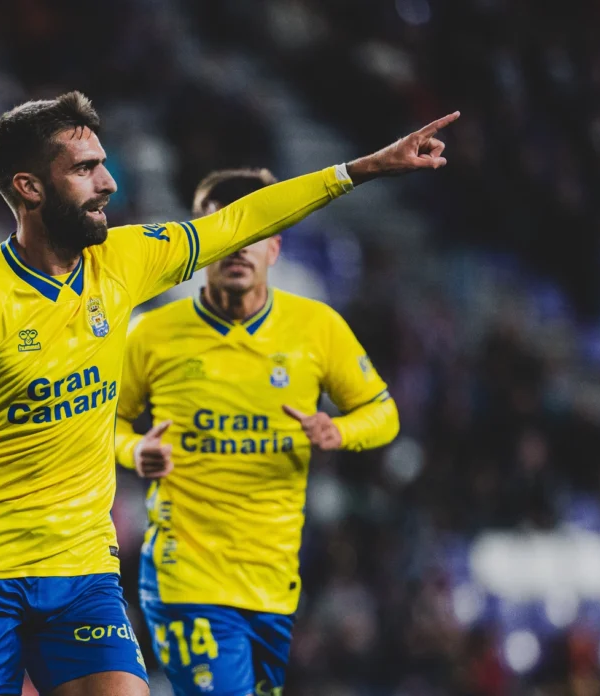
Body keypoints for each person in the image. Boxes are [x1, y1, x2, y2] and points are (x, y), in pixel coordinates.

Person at [0, 90, 456, 696]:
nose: (108, 183)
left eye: (104, 164)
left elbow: (237, 222)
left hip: (83, 568)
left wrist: (362, 169)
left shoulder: (123, 260)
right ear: (29, 188)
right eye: (85, 170)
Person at [115, 167, 401, 696]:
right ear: (199, 247)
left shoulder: (317, 328)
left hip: (273, 581)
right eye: (225, 231)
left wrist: (340, 431)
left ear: (275, 246)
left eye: (256, 232)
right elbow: (102, 425)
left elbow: (383, 413)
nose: (239, 247)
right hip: (185, 575)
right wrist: (134, 451)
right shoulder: (152, 333)